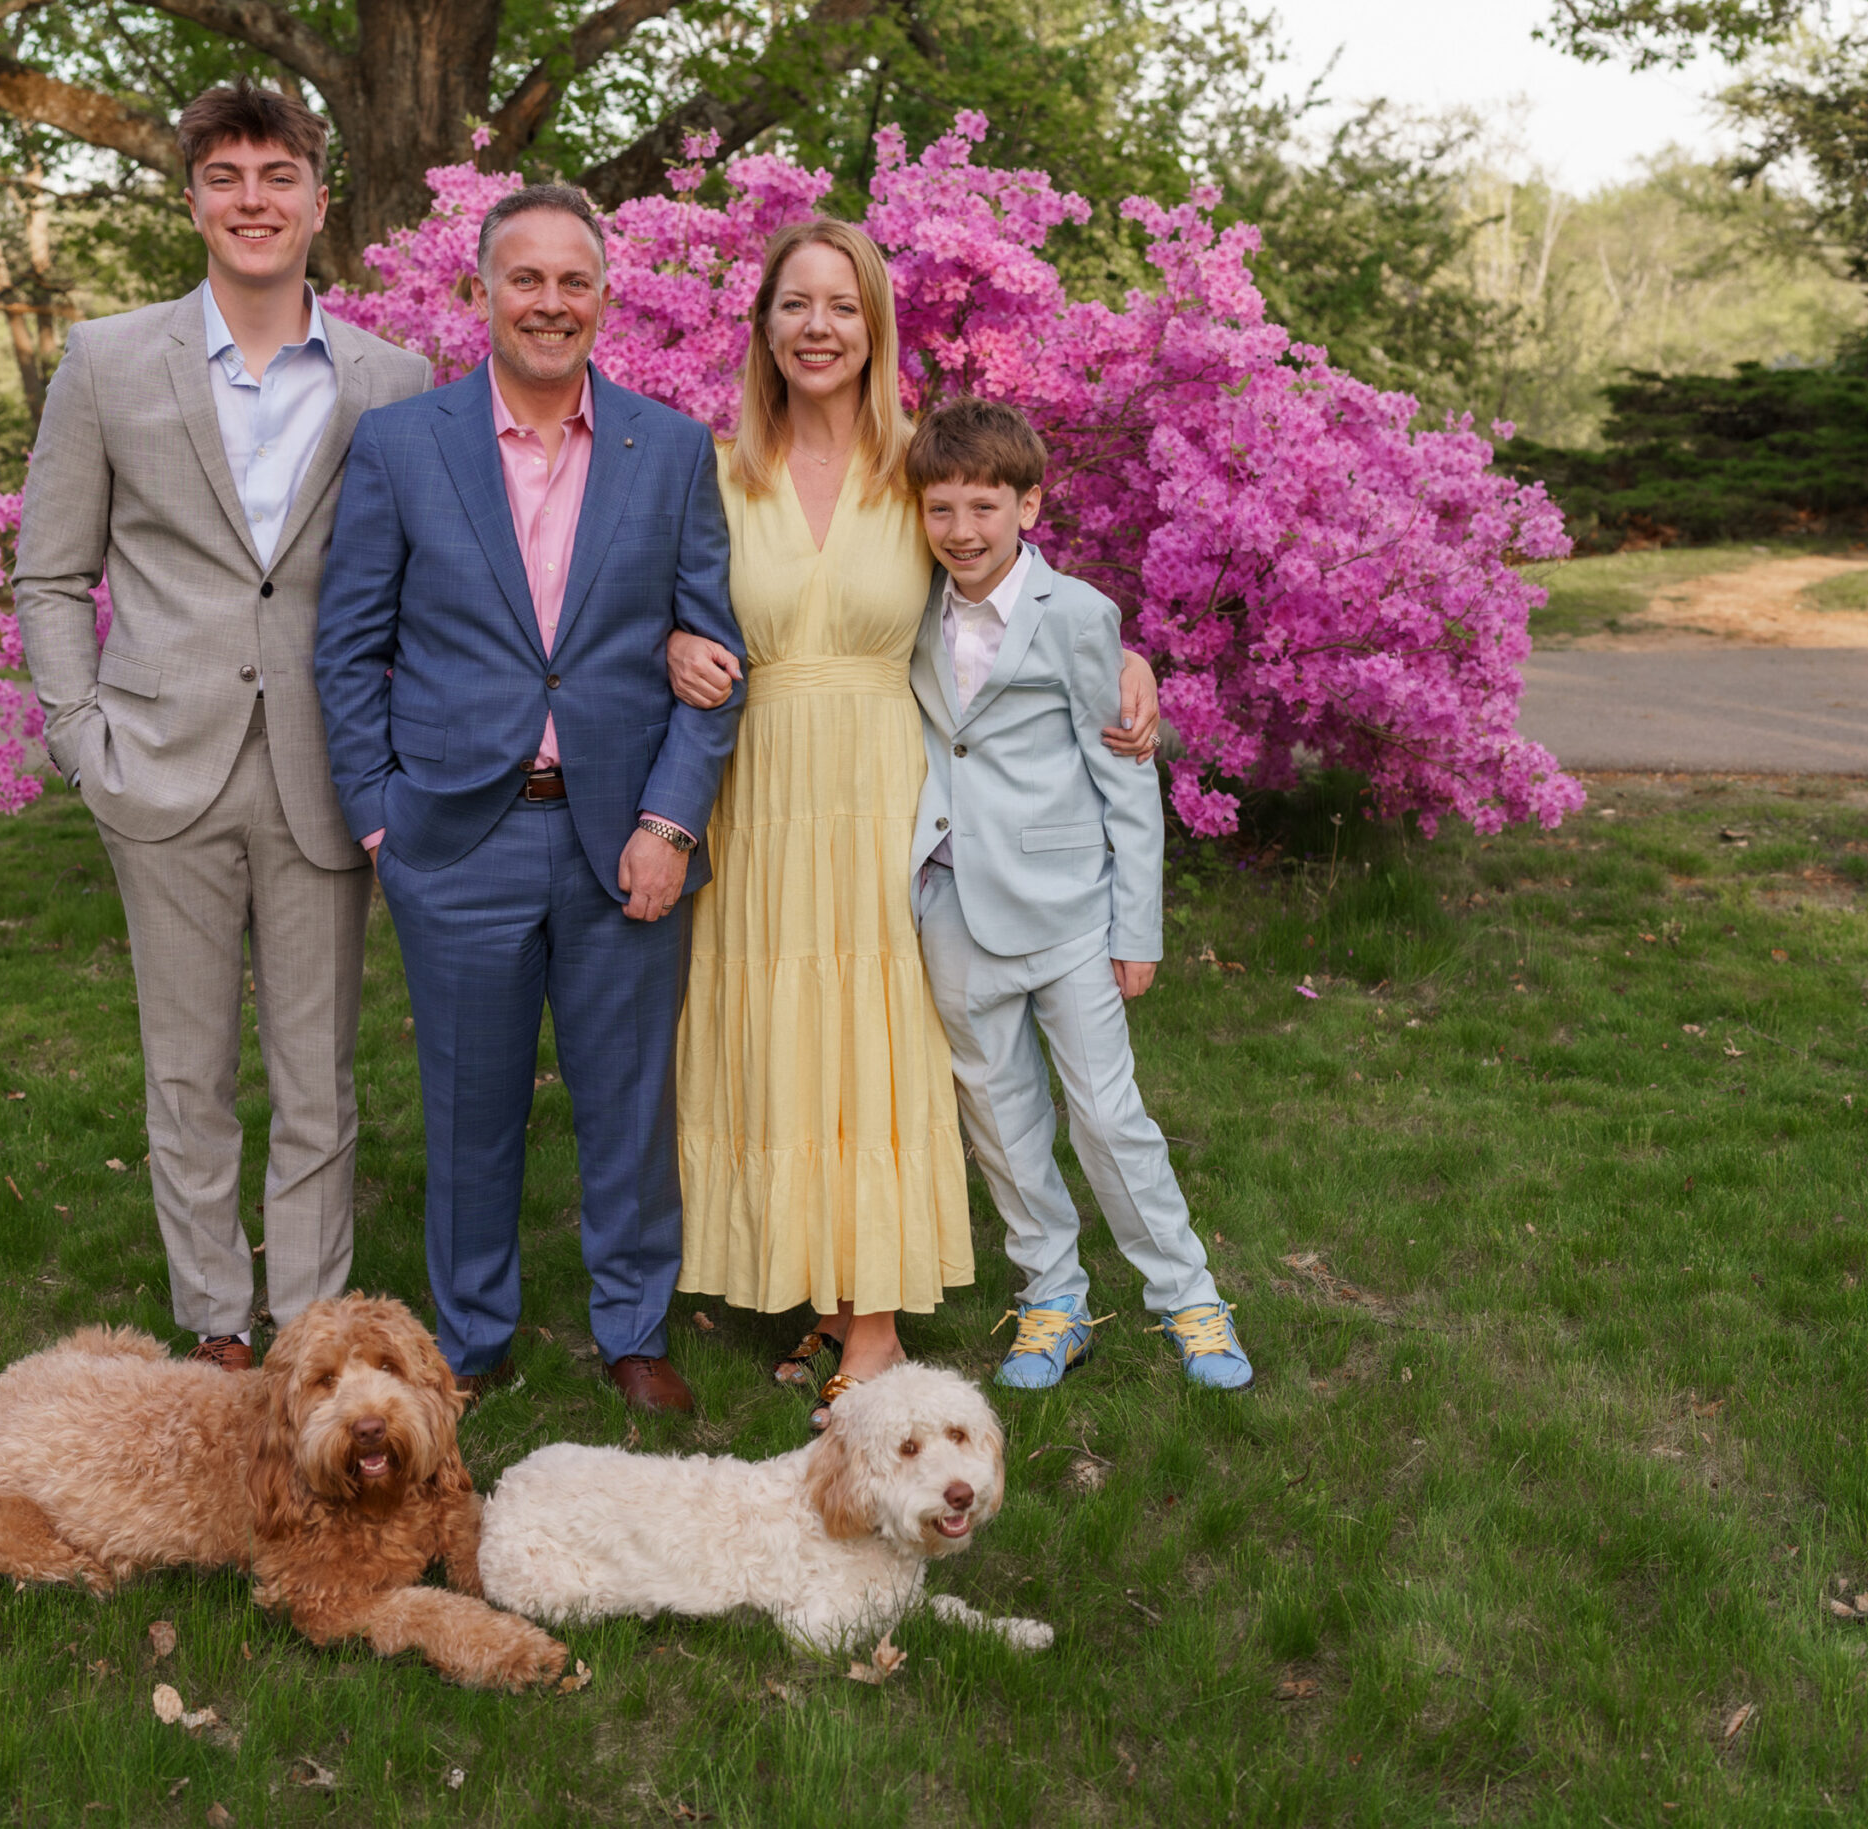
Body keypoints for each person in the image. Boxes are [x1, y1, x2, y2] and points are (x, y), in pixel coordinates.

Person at [663, 221, 1163, 1428]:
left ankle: (878, 1317)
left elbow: (1014, 589)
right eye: (796, 304)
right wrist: (672, 643)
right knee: (782, 1035)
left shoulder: (912, 466)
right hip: (763, 788)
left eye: (843, 304)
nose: (819, 325)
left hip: (889, 787)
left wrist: (1126, 654)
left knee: (876, 1034)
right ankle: (820, 1291)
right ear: (766, 326)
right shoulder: (714, 472)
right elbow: (655, 603)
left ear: (874, 325)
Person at [15, 83, 431, 1372]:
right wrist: (81, 732)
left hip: (323, 772)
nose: (253, 201)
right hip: (158, 763)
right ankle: (215, 1322)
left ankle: (308, 1326)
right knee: (186, 1071)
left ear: (319, 197)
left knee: (318, 1078)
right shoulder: (109, 359)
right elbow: (48, 571)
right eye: (227, 176)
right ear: (192, 197)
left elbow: (416, 585)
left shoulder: (392, 379)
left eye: (278, 176)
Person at [315, 184, 746, 1414]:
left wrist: (670, 822)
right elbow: (350, 648)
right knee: (469, 1108)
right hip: (456, 834)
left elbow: (710, 658)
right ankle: (476, 1332)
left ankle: (632, 1326)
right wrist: (381, 815)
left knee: (626, 1103)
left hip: (623, 838)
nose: (549, 301)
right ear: (481, 294)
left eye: (573, 280)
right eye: (525, 278)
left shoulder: (667, 449)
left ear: (604, 298)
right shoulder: (406, 445)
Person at [903, 397, 1251, 1391]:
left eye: (982, 505)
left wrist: (1133, 926)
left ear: (1029, 504)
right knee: (1002, 1119)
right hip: (952, 904)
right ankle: (1052, 1297)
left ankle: (1187, 1294)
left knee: (1107, 1114)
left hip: (1068, 912)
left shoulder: (1081, 616)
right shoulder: (909, 605)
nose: (961, 530)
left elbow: (1124, 778)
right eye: (940, 509)